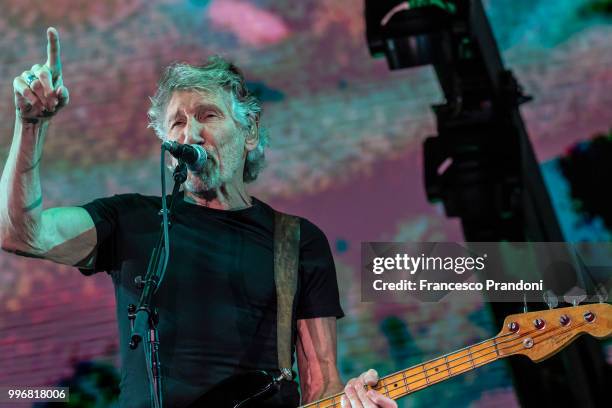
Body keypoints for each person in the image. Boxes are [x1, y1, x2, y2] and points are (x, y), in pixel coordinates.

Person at [0, 27, 398, 408]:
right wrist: (30, 125)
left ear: (250, 132)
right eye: (177, 123)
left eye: (207, 115)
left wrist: (352, 402)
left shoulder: (296, 241)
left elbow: (320, 386)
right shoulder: (129, 219)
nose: (190, 134)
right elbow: (20, 235)